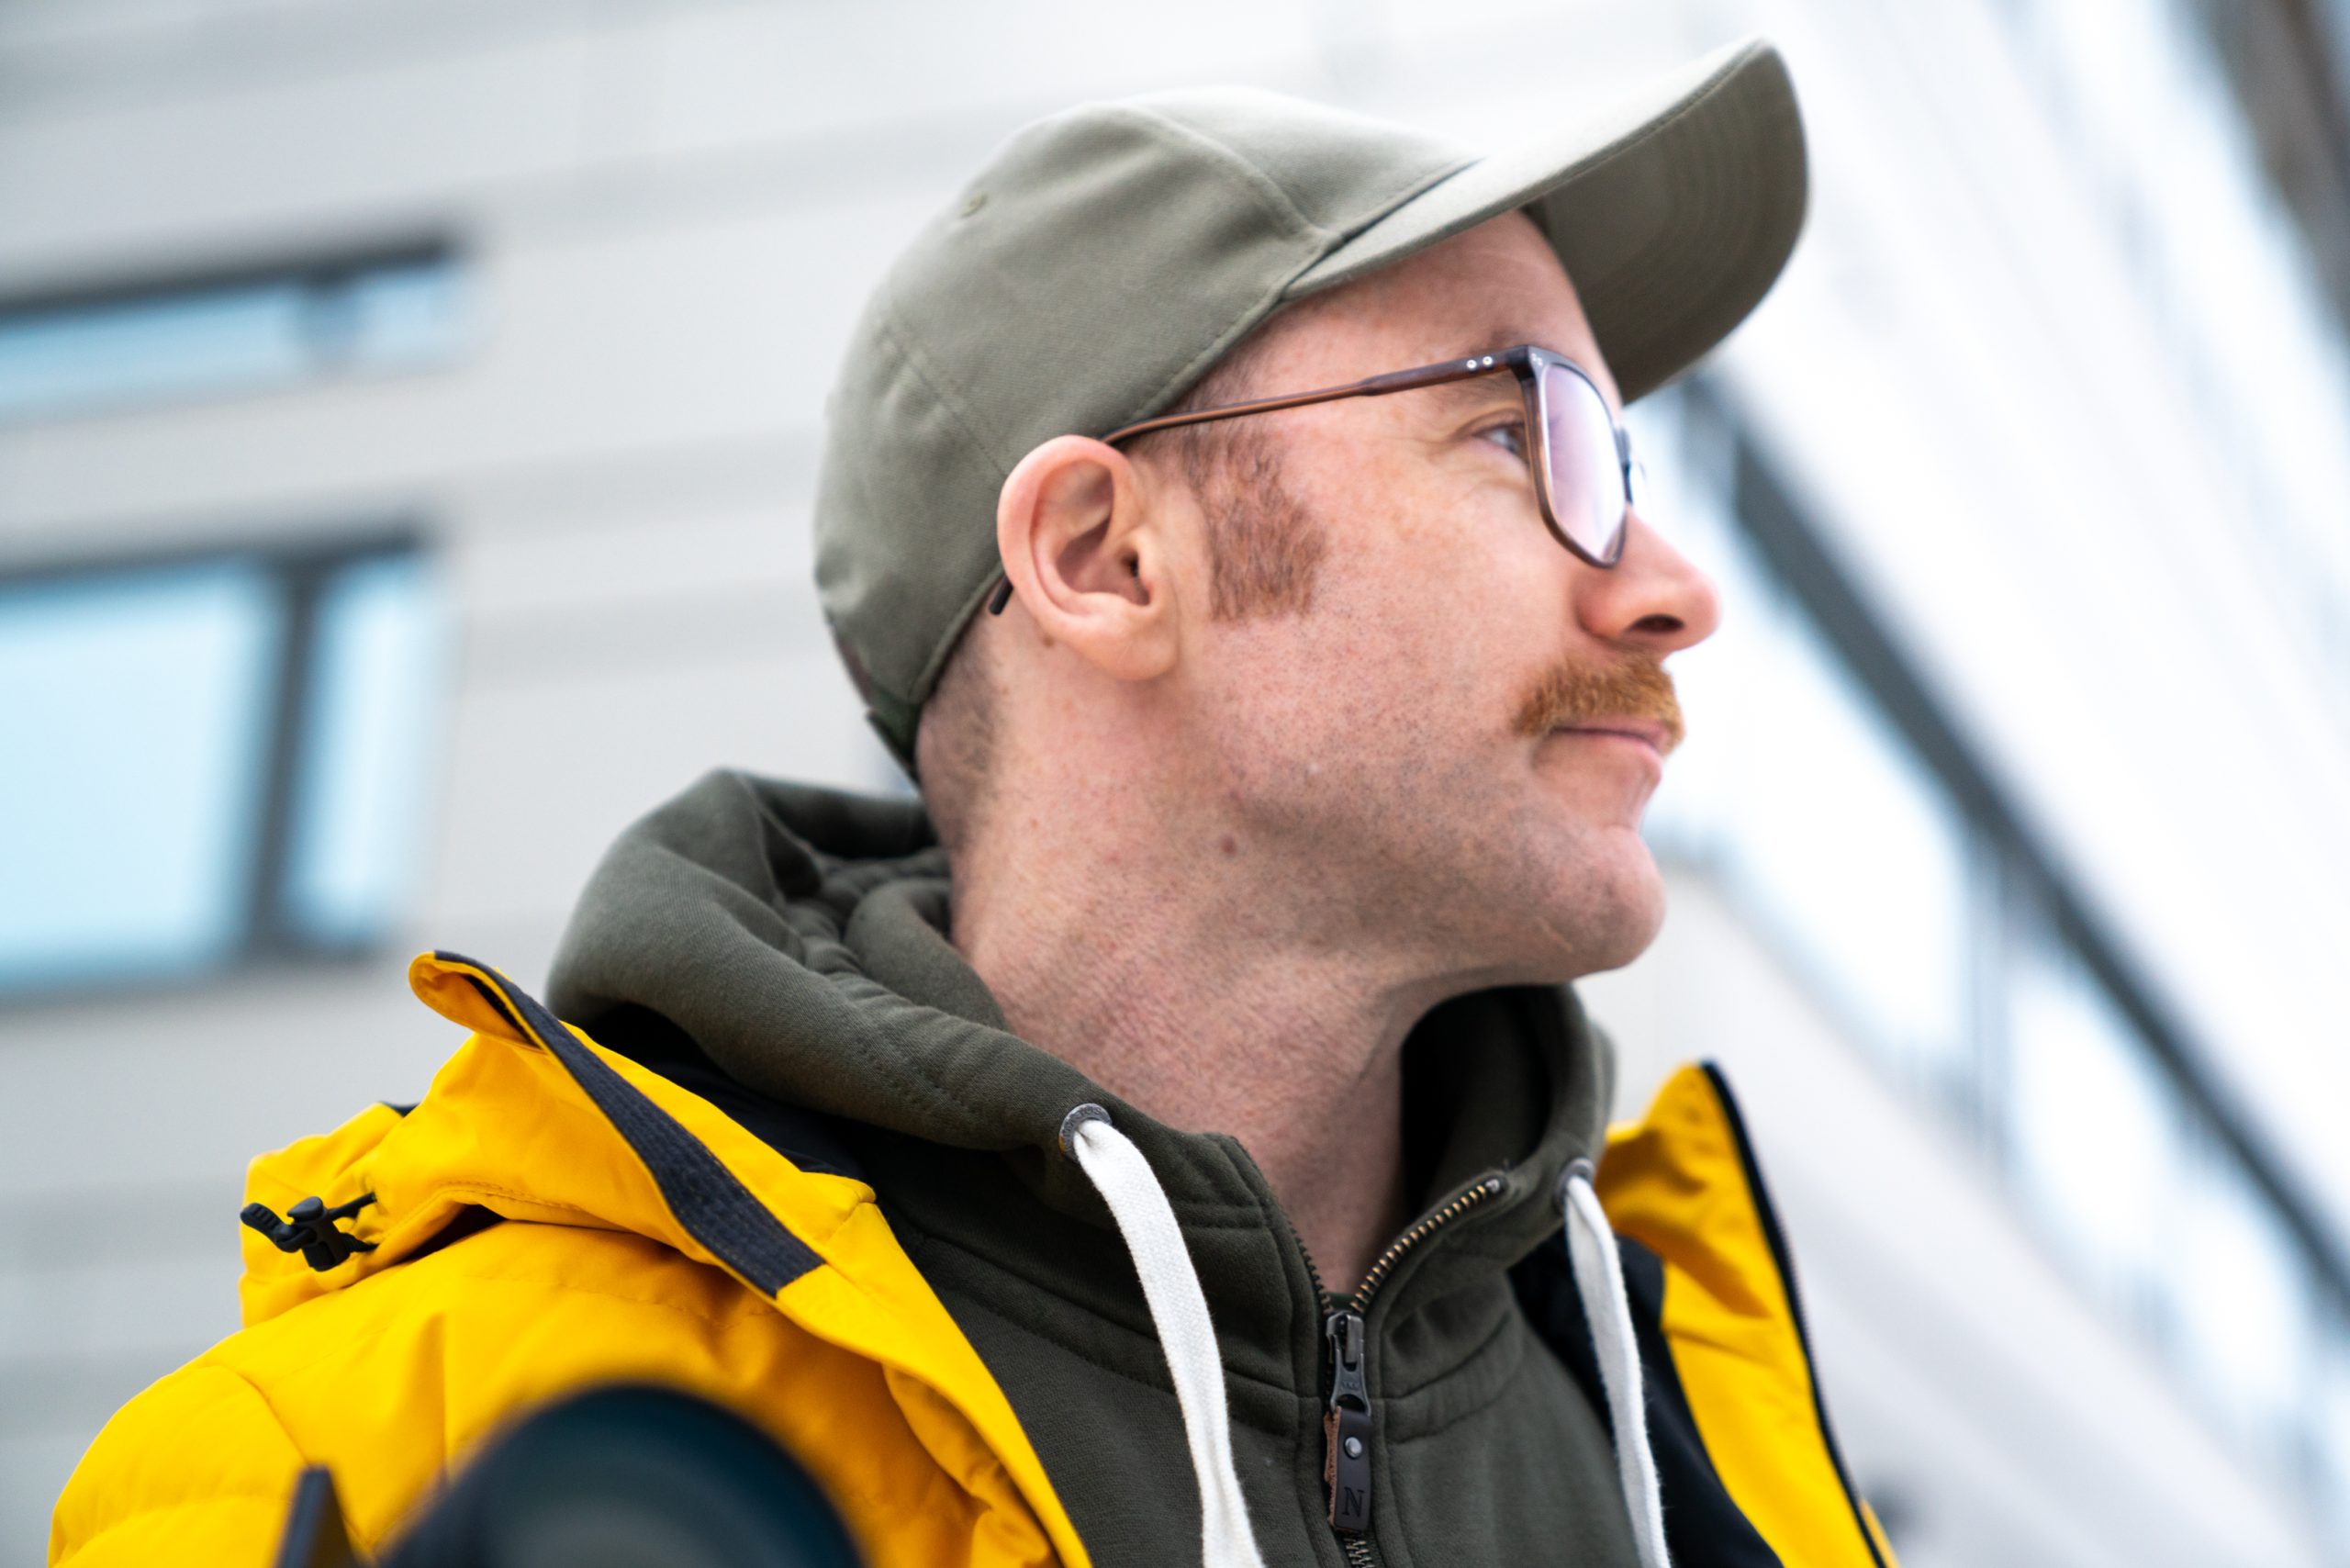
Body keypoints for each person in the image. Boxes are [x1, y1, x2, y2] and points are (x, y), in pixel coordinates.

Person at [52, 36, 1899, 1568]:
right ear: (1102, 557)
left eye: (1618, 456)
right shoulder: (367, 1463)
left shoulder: (1725, 1458)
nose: (1672, 586)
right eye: (1522, 432)